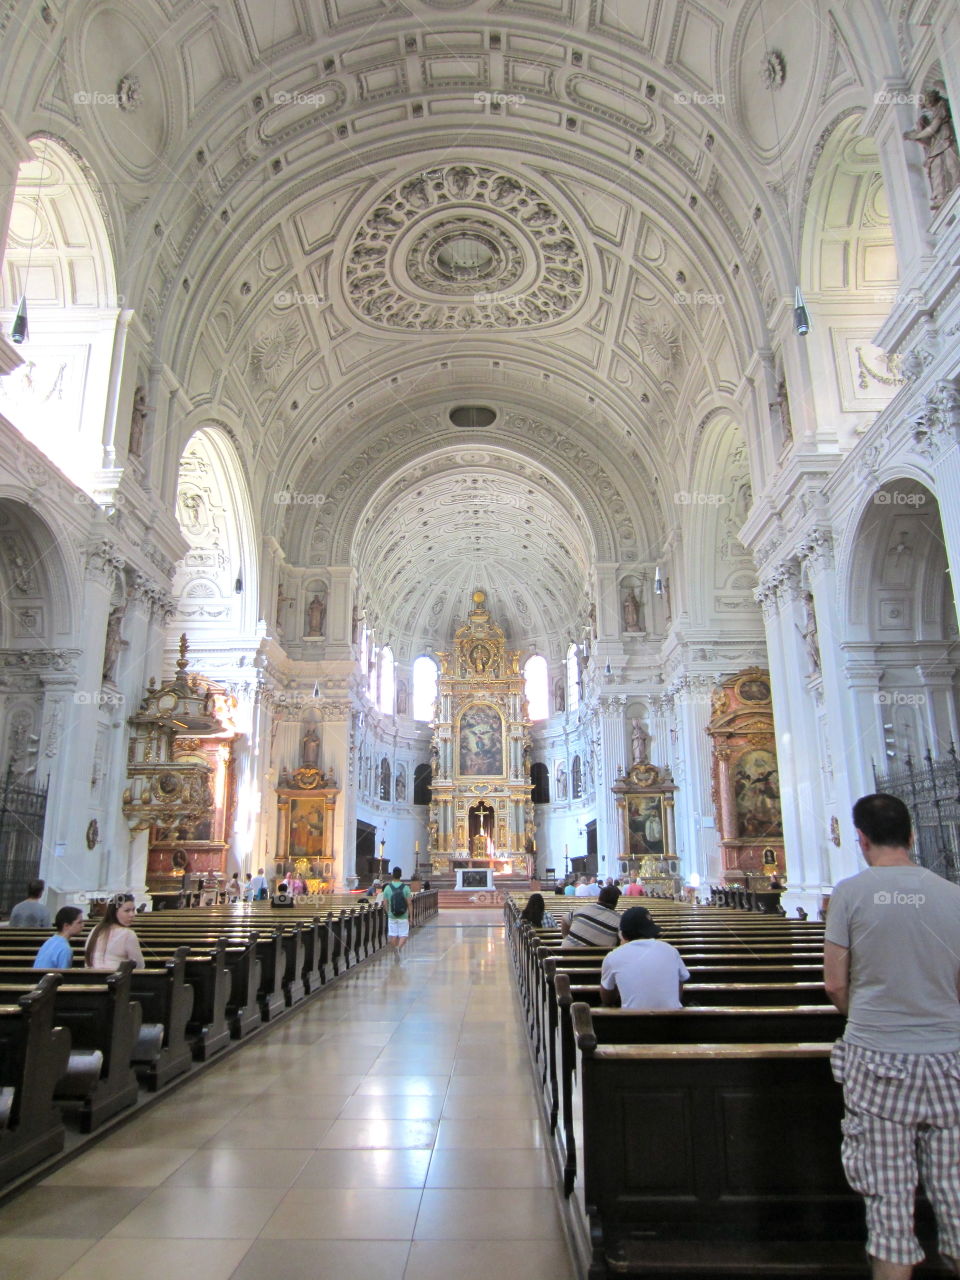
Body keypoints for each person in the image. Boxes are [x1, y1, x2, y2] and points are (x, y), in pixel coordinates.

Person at [824, 793, 960, 1280]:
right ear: (913, 835)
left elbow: (836, 983)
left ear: (859, 838)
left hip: (878, 1060)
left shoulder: (850, 893)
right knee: (958, 1195)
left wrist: (871, 1016)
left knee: (888, 1208)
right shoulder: (953, 894)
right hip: (950, 1062)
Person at [600, 905, 689, 1009]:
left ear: (623, 935)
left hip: (632, 1022)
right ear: (651, 931)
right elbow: (680, 984)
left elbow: (607, 999)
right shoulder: (671, 950)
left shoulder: (613, 957)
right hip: (674, 1021)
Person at [84, 894, 145, 969]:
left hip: (90, 977)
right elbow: (139, 966)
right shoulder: (128, 934)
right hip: (115, 979)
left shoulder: (96, 929)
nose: (132, 914)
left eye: (133, 910)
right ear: (114, 911)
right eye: (127, 911)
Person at [383, 865, 412, 962]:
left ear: (392, 875)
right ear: (401, 875)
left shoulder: (387, 888)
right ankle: (399, 948)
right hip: (403, 915)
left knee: (393, 934)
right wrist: (411, 916)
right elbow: (409, 903)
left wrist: (388, 912)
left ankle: (395, 948)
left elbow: (385, 902)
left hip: (392, 915)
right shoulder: (406, 888)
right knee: (404, 934)